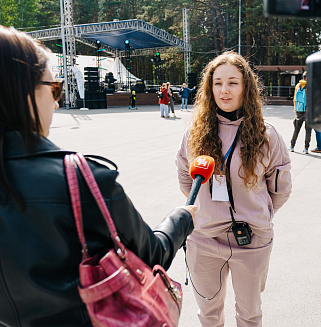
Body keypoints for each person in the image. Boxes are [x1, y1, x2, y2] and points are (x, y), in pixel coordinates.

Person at [0, 26, 196, 326]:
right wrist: (182, 218)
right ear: (21, 92)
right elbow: (151, 253)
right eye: (54, 88)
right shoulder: (80, 180)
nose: (56, 102)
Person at [176, 51, 292, 327]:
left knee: (250, 315)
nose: (224, 90)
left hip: (252, 241)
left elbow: (281, 188)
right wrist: (208, 212)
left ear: (246, 87)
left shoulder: (267, 134)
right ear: (209, 88)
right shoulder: (195, 132)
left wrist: (256, 212)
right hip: (203, 240)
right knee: (208, 315)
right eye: (217, 83)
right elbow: (184, 178)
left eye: (232, 82)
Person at [289, 71, 312, 154]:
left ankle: (292, 146)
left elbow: (295, 98)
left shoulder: (298, 85)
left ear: (303, 77)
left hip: (299, 110)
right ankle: (306, 148)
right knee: (308, 130)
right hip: (308, 110)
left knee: (296, 129)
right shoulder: (311, 86)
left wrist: (296, 109)